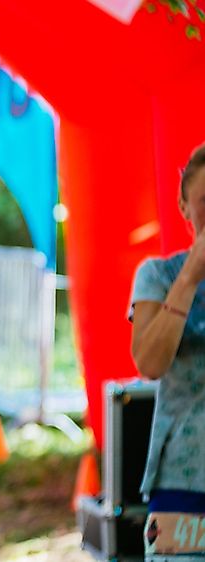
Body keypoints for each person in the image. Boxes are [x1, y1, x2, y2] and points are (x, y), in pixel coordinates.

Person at [130, 142, 205, 560]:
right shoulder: (158, 275)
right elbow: (149, 362)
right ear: (184, 206)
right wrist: (191, 276)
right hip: (183, 481)